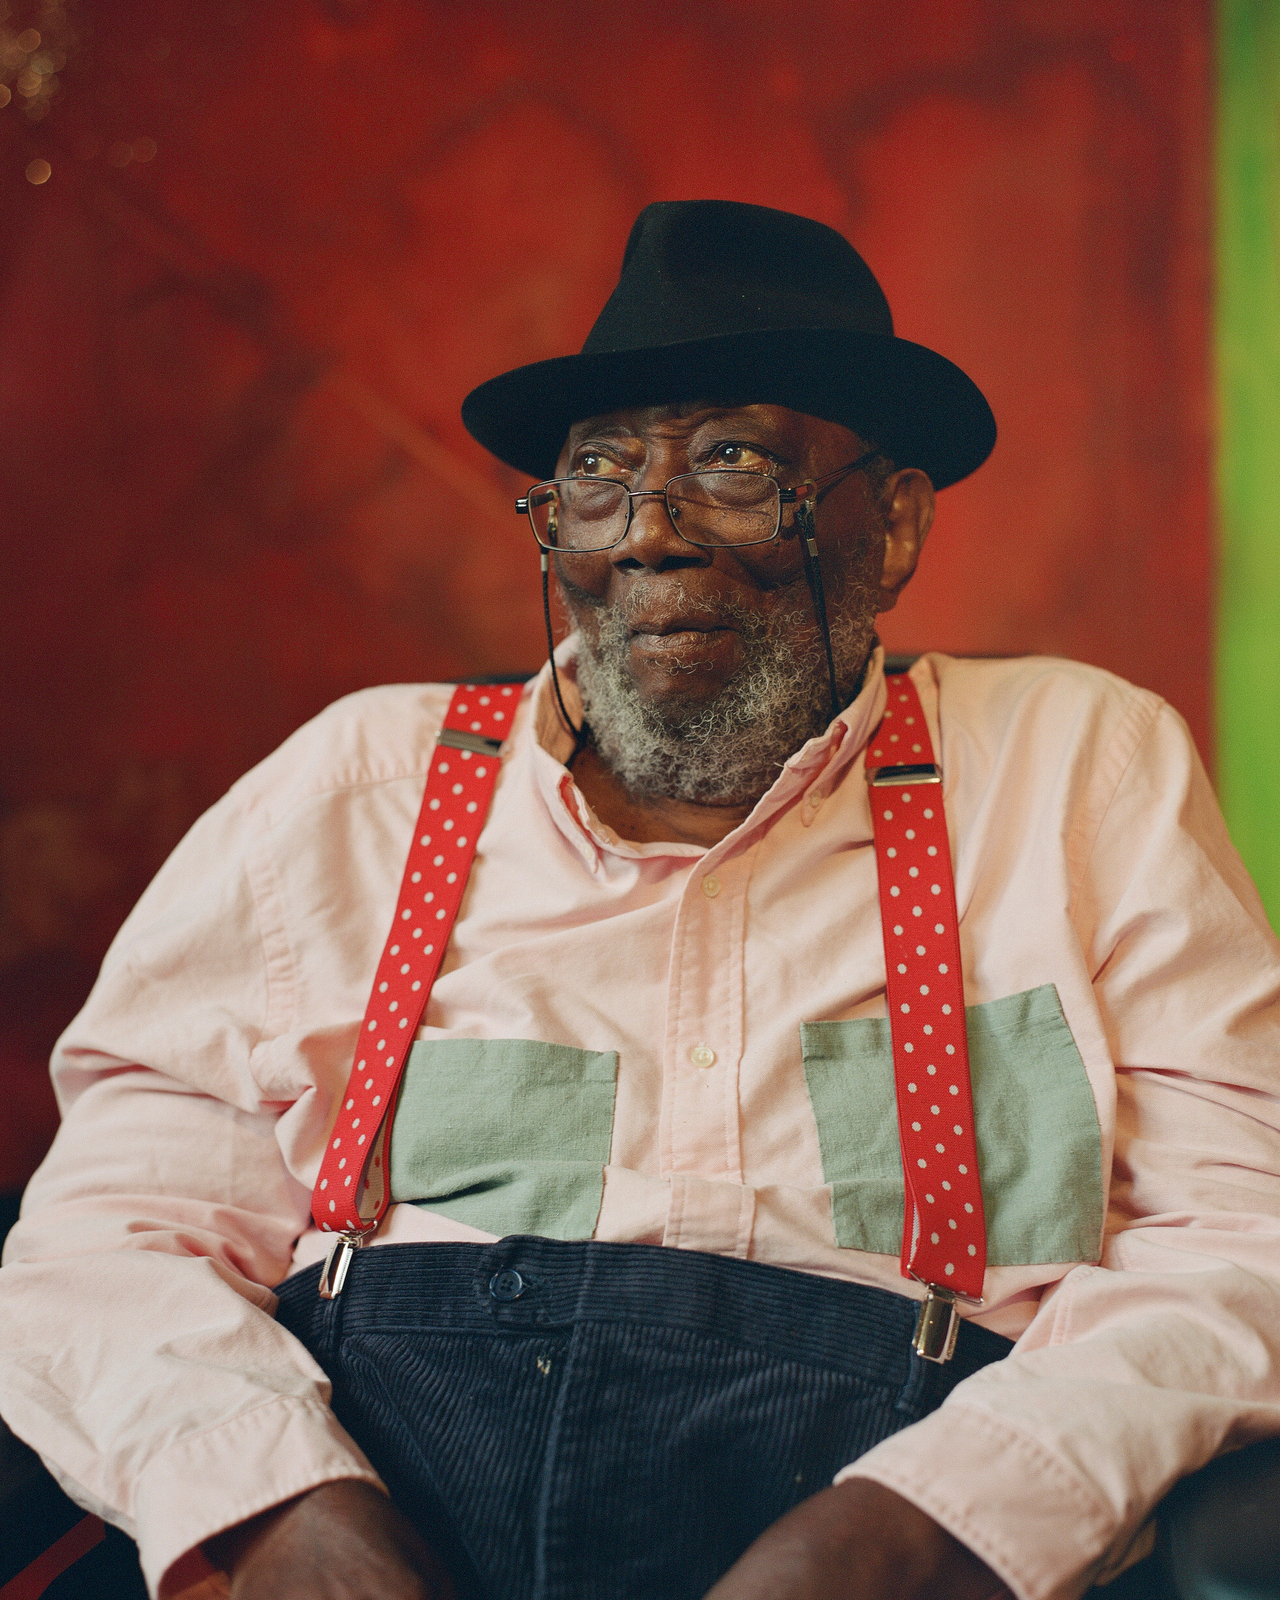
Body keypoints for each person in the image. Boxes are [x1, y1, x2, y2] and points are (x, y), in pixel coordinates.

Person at [1, 200, 1279, 1600]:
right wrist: (277, 1511)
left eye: (733, 460)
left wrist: (934, 1522)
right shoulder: (358, 790)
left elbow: (1238, 1241)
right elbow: (113, 1237)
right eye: (598, 473)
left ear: (896, 523)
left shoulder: (1076, 769)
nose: (651, 534)